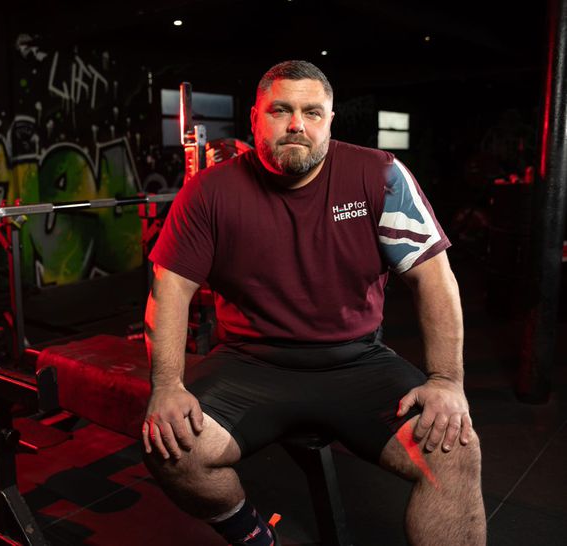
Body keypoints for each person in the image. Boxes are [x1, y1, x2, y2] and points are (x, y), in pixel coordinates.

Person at [141, 60, 486, 546]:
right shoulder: (210, 191)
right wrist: (168, 384)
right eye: (280, 110)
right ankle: (250, 533)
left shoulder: (380, 177)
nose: (297, 124)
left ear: (329, 120)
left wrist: (447, 380)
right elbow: (171, 287)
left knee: (456, 452)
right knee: (170, 446)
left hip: (357, 361)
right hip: (250, 363)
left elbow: (434, 279)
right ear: (255, 119)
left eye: (312, 112)